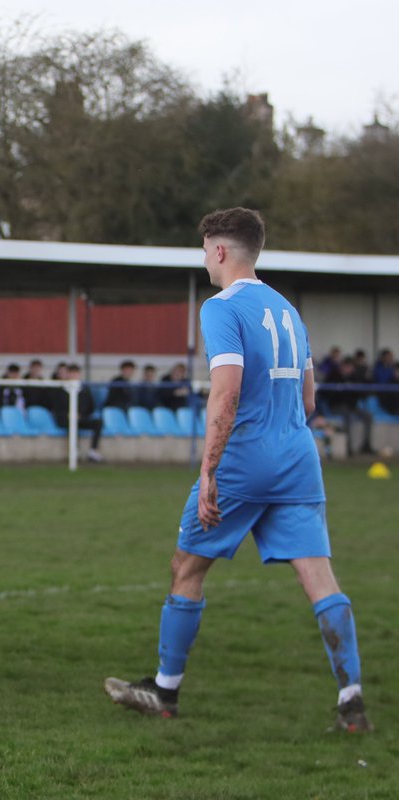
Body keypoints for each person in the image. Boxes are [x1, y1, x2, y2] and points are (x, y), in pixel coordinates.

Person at [104, 207, 370, 733]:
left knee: (187, 567)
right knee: (318, 576)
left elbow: (225, 391)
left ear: (220, 251)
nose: (205, 260)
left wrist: (209, 470)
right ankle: (352, 699)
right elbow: (309, 398)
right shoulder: (289, 311)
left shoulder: (221, 307)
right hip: (298, 456)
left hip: (245, 458)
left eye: (206, 250)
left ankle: (164, 691)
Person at [51, 363, 103, 463]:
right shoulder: (60, 390)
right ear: (68, 374)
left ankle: (93, 450)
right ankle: (74, 451)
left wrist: (81, 415)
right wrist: (68, 415)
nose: (74, 376)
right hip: (65, 419)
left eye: (76, 373)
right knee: (72, 424)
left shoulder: (84, 390)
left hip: (81, 418)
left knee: (98, 422)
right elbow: (56, 408)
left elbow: (91, 408)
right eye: (72, 373)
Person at [373, 348, 398, 414]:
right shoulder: (378, 367)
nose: (391, 358)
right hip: (384, 393)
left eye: (391, 356)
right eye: (389, 356)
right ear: (384, 357)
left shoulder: (393, 367)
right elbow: (382, 380)